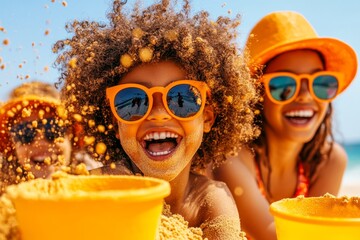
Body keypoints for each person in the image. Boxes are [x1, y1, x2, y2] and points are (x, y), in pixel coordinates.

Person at [53, 0, 260, 238]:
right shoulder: (97, 189)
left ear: (207, 118)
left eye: (182, 98)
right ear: (115, 124)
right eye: (132, 101)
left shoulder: (210, 200)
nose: (159, 113)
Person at [209, 11, 358, 240]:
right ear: (256, 94)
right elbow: (276, 236)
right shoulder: (232, 157)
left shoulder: (328, 161)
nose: (306, 96)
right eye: (284, 85)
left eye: (321, 83)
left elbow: (317, 234)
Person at [0, 81, 102, 194]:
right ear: (12, 144)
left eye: (53, 128)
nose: (41, 143)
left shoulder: (101, 187)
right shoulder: (5, 202)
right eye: (25, 132)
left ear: (71, 136)